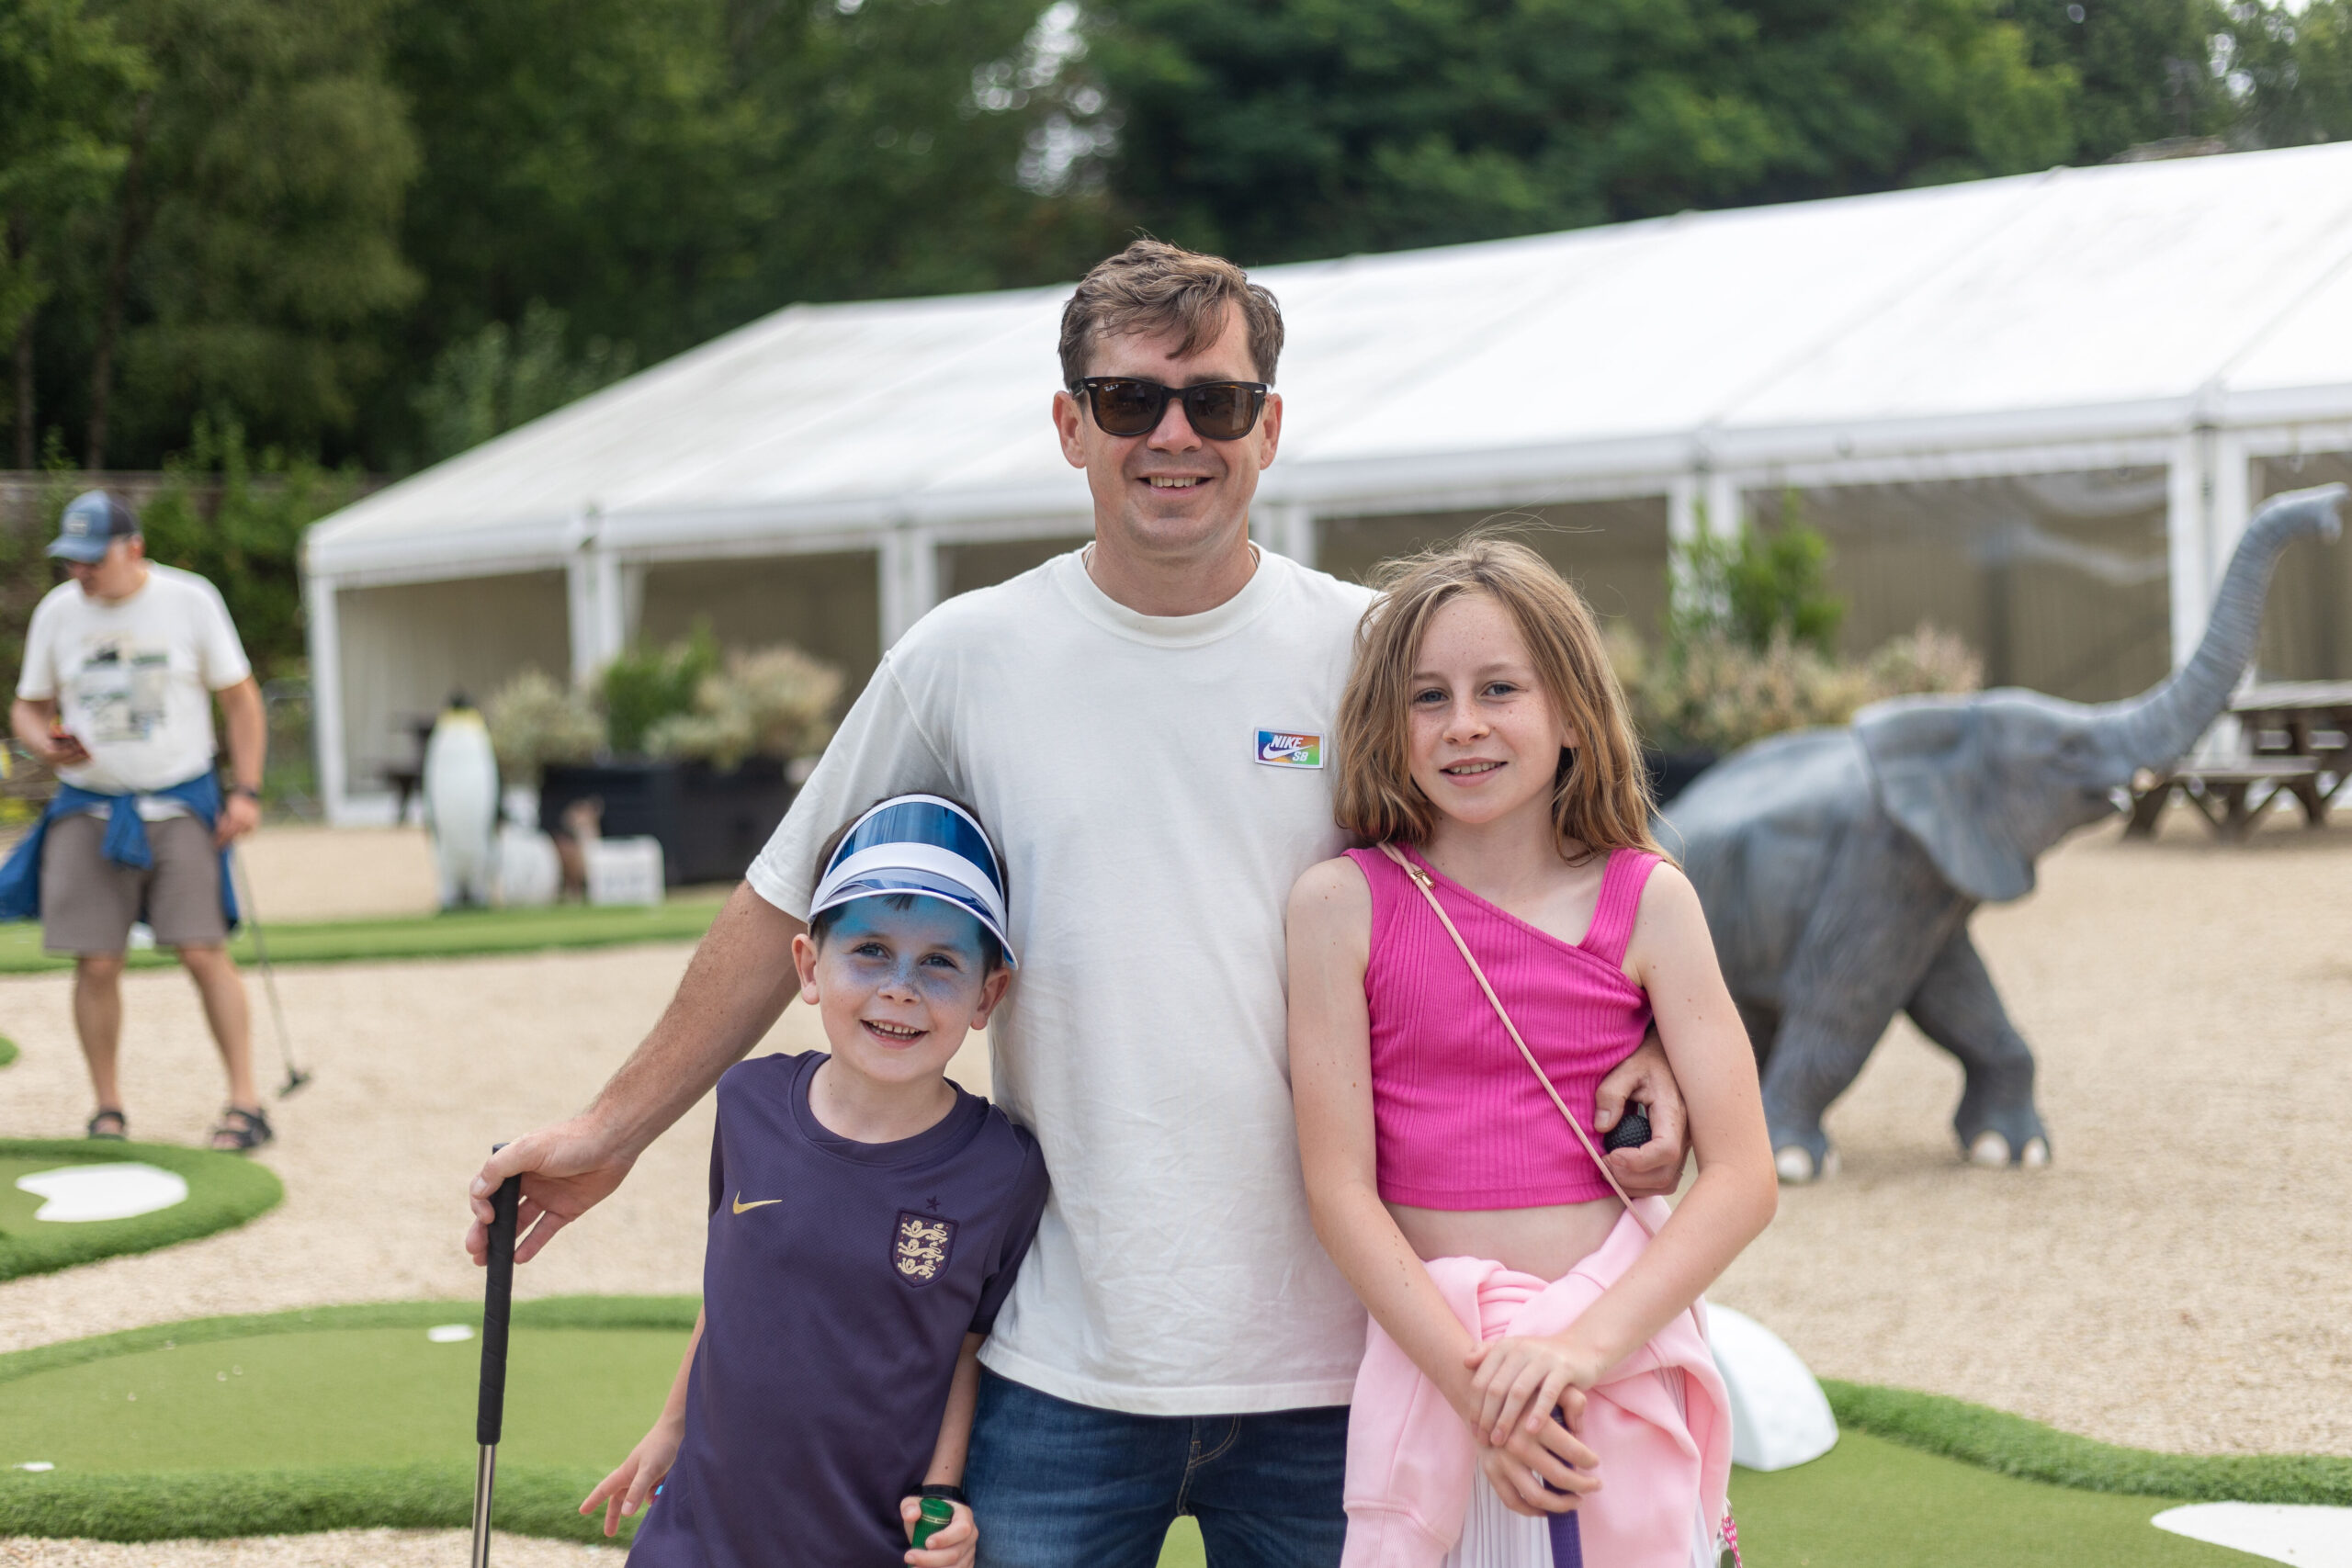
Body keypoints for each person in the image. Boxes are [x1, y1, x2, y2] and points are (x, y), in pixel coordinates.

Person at [470, 240, 1692, 1567]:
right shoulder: (965, 656)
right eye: (1129, 400)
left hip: (1350, 1356)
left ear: (1268, 427)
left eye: (1215, 401)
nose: (1175, 434)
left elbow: (1558, 859)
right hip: (1062, 1360)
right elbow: (780, 905)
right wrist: (611, 1126)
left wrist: (1654, 1043)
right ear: (1071, 423)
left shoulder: (1374, 650)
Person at [1287, 540, 1777, 1568]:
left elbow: (1742, 1178)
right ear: (1390, 723)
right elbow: (1338, 1190)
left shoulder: (1649, 898)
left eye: (1498, 689)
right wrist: (1484, 1392)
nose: (1463, 723)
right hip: (1442, 1385)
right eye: (1428, 696)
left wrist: (1577, 1351)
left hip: (1613, 1367)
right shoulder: (1339, 906)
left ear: (1568, 712)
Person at [582, 794, 1046, 1568]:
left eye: (939, 962)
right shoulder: (748, 1100)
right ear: (808, 966)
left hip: (862, 1541)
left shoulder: (1002, 1168)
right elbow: (728, 1285)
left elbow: (966, 1349)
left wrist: (944, 1494)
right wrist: (669, 1428)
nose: (900, 987)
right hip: (700, 1531)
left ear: (987, 995)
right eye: (870, 950)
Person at [2, 490, 272, 1151]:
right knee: (95, 961)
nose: (82, 572)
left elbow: (241, 701)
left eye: (94, 559)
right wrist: (44, 741)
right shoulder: (58, 613)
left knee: (202, 949)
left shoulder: (191, 600)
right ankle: (108, 1108)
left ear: (134, 548)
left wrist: (247, 791)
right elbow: (27, 708)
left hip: (178, 800)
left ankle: (245, 1102)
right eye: (72, 561)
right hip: (86, 803)